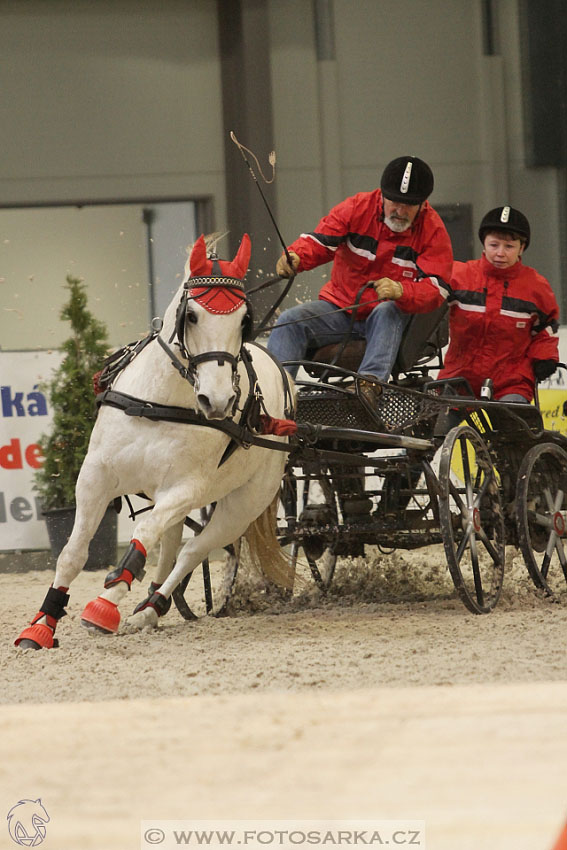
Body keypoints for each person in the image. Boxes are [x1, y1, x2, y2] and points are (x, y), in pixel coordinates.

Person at [267, 156, 454, 403]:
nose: (399, 211)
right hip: (342, 309)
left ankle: (369, 387)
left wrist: (402, 291)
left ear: (423, 204)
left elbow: (438, 290)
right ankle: (273, 396)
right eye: (394, 202)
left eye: (409, 205)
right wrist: (296, 257)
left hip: (390, 320)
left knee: (387, 310)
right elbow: (321, 241)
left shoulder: (434, 231)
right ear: (382, 195)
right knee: (290, 320)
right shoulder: (355, 208)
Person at [382, 204, 560, 403]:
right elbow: (427, 294)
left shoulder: (536, 287)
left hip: (511, 382)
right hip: (458, 378)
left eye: (509, 246)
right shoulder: (458, 276)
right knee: (436, 428)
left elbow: (546, 330)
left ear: (522, 248)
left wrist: (545, 357)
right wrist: (401, 291)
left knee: (512, 428)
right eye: (494, 245)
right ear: (484, 244)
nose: (500, 253)